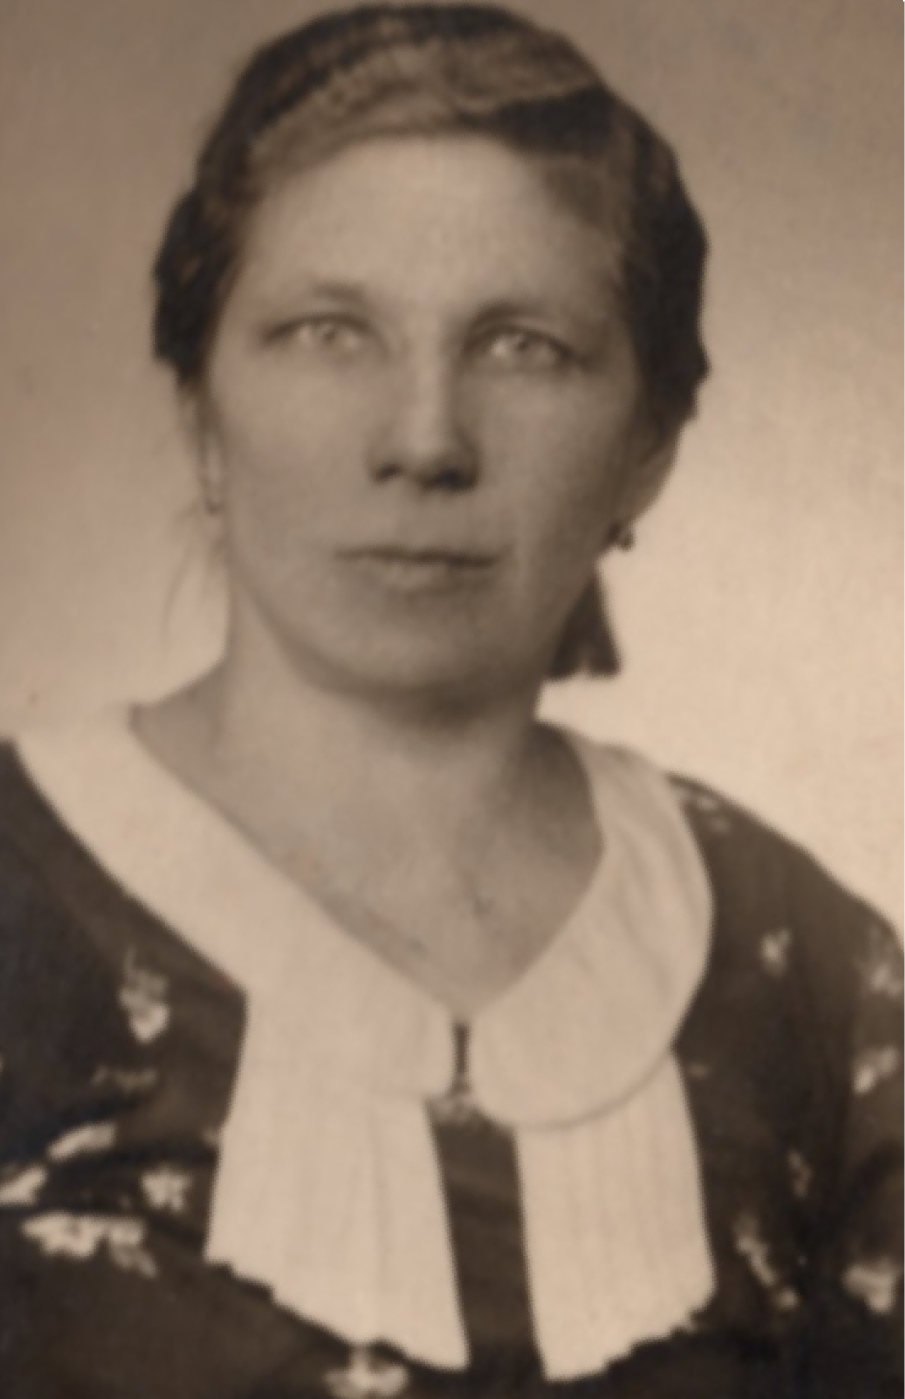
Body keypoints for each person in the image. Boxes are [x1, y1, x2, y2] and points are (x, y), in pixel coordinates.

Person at [0, 5, 903, 1396]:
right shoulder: (23, 892)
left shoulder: (814, 978)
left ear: (651, 444)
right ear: (200, 411)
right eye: (327, 332)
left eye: (524, 345)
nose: (424, 439)